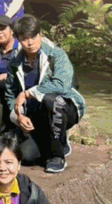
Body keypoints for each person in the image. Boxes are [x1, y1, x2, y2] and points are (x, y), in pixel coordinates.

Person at [5, 15, 86, 174]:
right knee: (27, 156)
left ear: (40, 35)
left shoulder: (57, 55)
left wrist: (28, 93)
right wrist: (19, 116)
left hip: (65, 107)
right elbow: (10, 95)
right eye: (24, 39)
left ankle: (57, 156)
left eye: (33, 37)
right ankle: (56, 141)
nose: (30, 43)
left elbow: (61, 86)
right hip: (35, 115)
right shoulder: (15, 63)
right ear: (18, 40)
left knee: (51, 99)